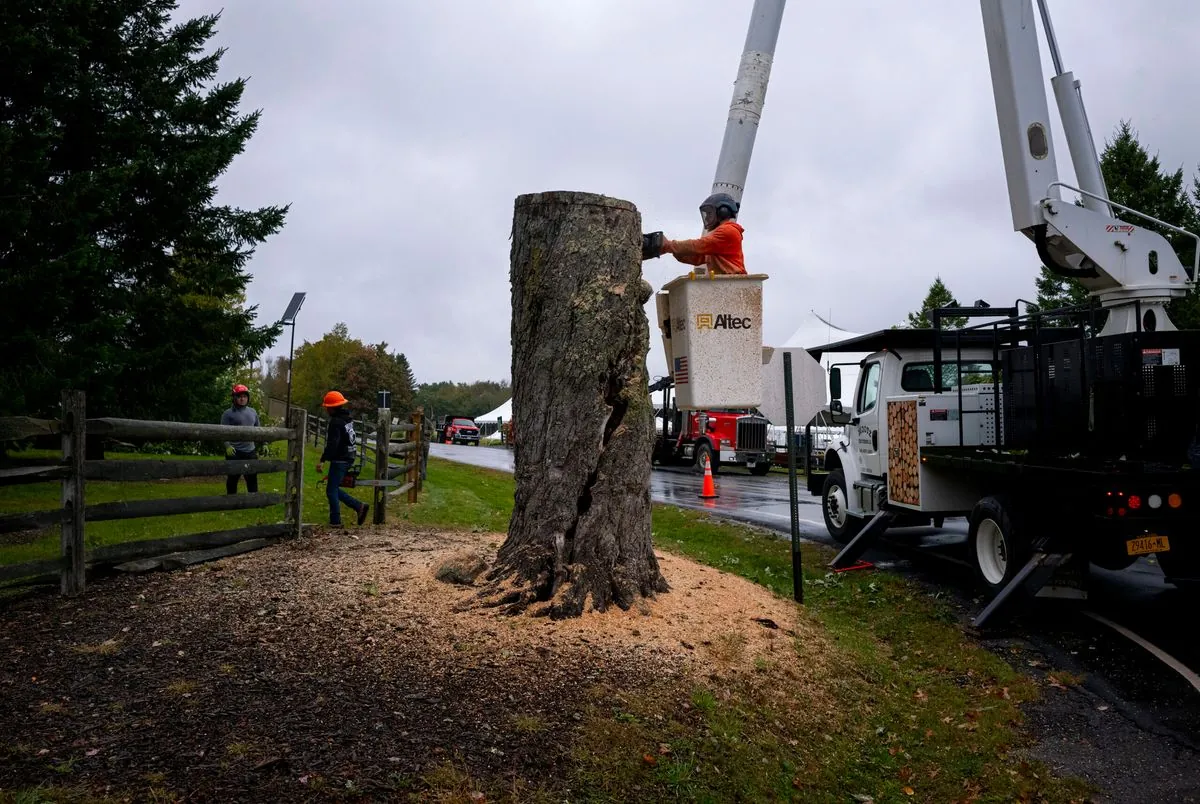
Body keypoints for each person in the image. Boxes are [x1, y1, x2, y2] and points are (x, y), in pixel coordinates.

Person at [643, 192, 746, 275]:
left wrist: (669, 245)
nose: (706, 217)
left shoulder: (728, 231)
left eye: (709, 213)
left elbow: (699, 245)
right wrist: (676, 252)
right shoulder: (719, 240)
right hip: (727, 283)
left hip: (734, 283)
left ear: (723, 211)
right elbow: (699, 257)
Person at [315, 390, 370, 527]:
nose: (326, 409)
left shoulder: (335, 422)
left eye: (327, 407)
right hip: (350, 456)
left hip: (341, 458)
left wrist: (322, 460)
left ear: (333, 408)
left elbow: (332, 444)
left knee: (331, 490)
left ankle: (336, 521)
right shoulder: (348, 419)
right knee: (333, 488)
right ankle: (359, 507)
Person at [221, 384, 261, 495]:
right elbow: (222, 432)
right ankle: (231, 499)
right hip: (235, 452)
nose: (242, 399)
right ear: (234, 398)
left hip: (250, 451)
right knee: (233, 477)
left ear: (248, 398)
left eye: (244, 396)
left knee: (252, 477)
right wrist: (227, 445)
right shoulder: (227, 414)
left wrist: (265, 443)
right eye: (239, 396)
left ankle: (253, 499)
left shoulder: (253, 412)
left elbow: (259, 430)